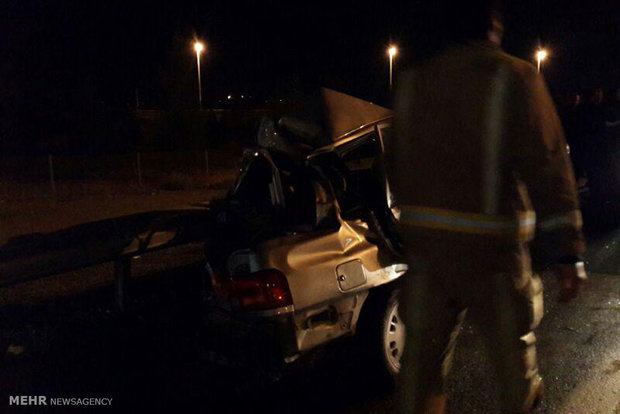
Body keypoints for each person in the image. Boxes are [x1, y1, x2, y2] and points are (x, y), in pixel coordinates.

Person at [386, 1, 587, 413]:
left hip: (427, 257)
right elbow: (548, 165)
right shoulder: (514, 76)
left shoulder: (411, 83)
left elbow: (394, 166)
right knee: (516, 377)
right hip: (492, 257)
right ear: (491, 23)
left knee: (420, 372)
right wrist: (568, 253)